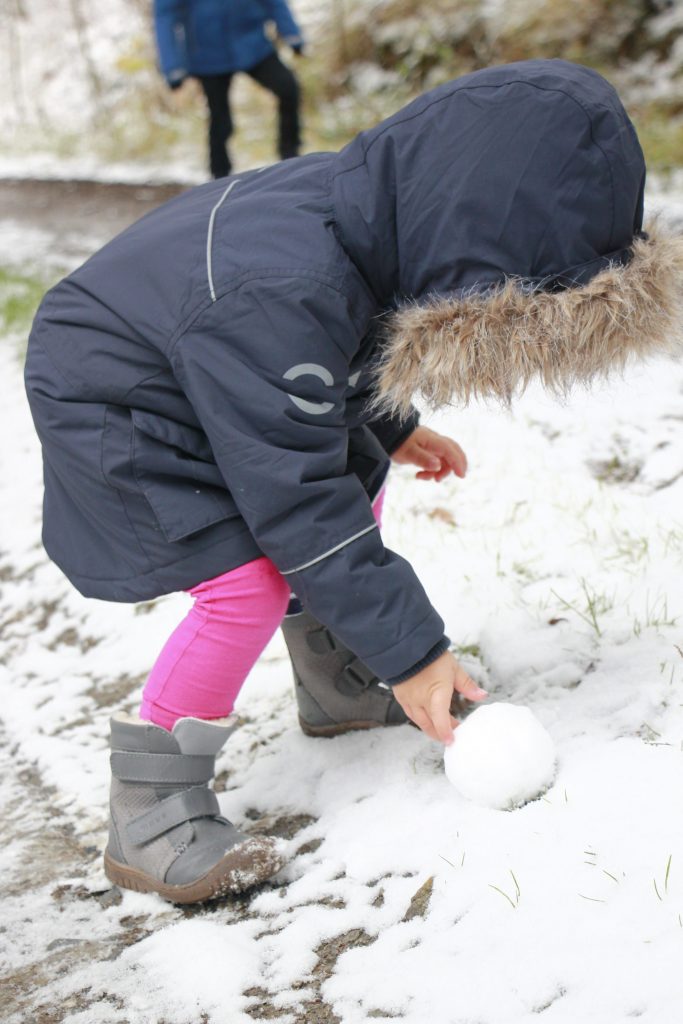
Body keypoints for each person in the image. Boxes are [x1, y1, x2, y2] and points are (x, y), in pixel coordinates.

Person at [25, 60, 682, 904]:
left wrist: (393, 427)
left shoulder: (362, 225)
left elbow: (327, 357)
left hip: (203, 359)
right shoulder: (284, 283)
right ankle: (148, 810)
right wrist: (414, 653)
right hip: (118, 394)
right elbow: (294, 488)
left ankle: (335, 684)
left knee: (354, 475)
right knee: (249, 575)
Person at [153, 0, 304, 179]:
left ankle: (290, 158)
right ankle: (219, 177)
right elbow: (165, 14)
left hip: (253, 44)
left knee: (288, 88)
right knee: (220, 120)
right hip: (207, 54)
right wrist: (172, 66)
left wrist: (291, 32)